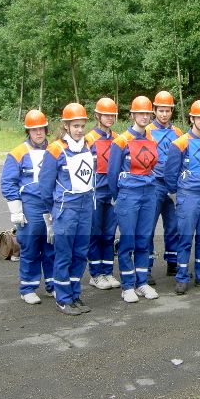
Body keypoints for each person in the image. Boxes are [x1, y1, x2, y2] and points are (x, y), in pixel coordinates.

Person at [39, 103, 94, 316]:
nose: (79, 130)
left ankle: (74, 294)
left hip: (86, 207)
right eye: (75, 126)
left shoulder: (88, 145)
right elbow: (45, 187)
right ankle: (62, 298)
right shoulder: (55, 149)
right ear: (66, 126)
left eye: (82, 126)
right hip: (66, 209)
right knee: (64, 255)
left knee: (80, 253)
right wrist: (52, 211)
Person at [165, 100, 200, 294]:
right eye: (199, 118)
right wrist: (177, 194)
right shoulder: (180, 143)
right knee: (185, 238)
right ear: (192, 119)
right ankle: (181, 277)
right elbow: (170, 174)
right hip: (188, 195)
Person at [107, 96, 160, 303]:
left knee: (144, 240)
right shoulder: (121, 141)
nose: (144, 117)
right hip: (128, 195)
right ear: (132, 115)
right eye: (140, 113)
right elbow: (112, 175)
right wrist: (119, 197)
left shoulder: (152, 139)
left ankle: (142, 282)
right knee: (128, 240)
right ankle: (128, 285)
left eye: (147, 113)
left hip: (149, 194)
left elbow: (153, 166)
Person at [0, 110, 55, 305]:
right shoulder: (17, 153)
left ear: (46, 129)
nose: (39, 133)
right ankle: (28, 288)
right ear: (28, 131)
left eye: (41, 129)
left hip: (52, 205)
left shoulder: (55, 149)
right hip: (30, 206)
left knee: (52, 247)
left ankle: (53, 285)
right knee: (31, 248)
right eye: (34, 129)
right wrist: (16, 210)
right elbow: (8, 182)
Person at [145, 91, 183, 281]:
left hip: (173, 184)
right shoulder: (147, 131)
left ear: (172, 111)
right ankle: (146, 268)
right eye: (161, 110)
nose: (164, 114)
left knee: (174, 226)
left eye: (167, 111)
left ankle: (173, 263)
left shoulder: (178, 133)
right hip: (154, 184)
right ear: (154, 110)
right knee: (148, 227)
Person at [85, 98, 121, 290]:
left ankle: (107, 271)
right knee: (95, 234)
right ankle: (96, 274)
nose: (109, 118)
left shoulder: (118, 138)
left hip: (112, 193)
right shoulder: (88, 139)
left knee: (109, 234)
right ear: (97, 116)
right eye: (105, 115)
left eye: (112, 115)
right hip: (95, 194)